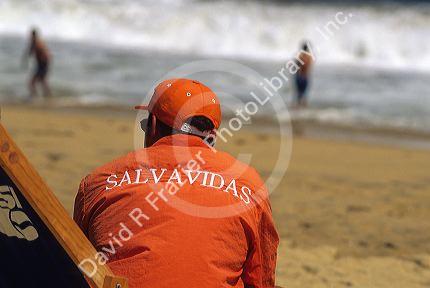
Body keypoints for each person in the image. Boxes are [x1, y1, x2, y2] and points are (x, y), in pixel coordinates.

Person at [73, 79, 279, 288]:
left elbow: (76, 267)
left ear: (152, 124)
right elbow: (261, 278)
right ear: (212, 136)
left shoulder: (99, 182)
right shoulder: (247, 183)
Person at [22, 28, 51, 98]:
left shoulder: (37, 43)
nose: (30, 37)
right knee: (42, 81)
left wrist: (25, 60)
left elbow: (30, 53)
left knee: (32, 82)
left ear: (33, 36)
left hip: (43, 64)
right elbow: (29, 52)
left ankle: (35, 96)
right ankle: (47, 96)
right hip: (42, 64)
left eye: (31, 36)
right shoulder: (36, 42)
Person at [294, 41, 313, 107]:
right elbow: (308, 67)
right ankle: (303, 108)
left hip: (299, 76)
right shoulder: (309, 57)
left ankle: (298, 107)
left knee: (299, 94)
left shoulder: (300, 55)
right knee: (304, 94)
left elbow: (296, 66)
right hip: (305, 77)